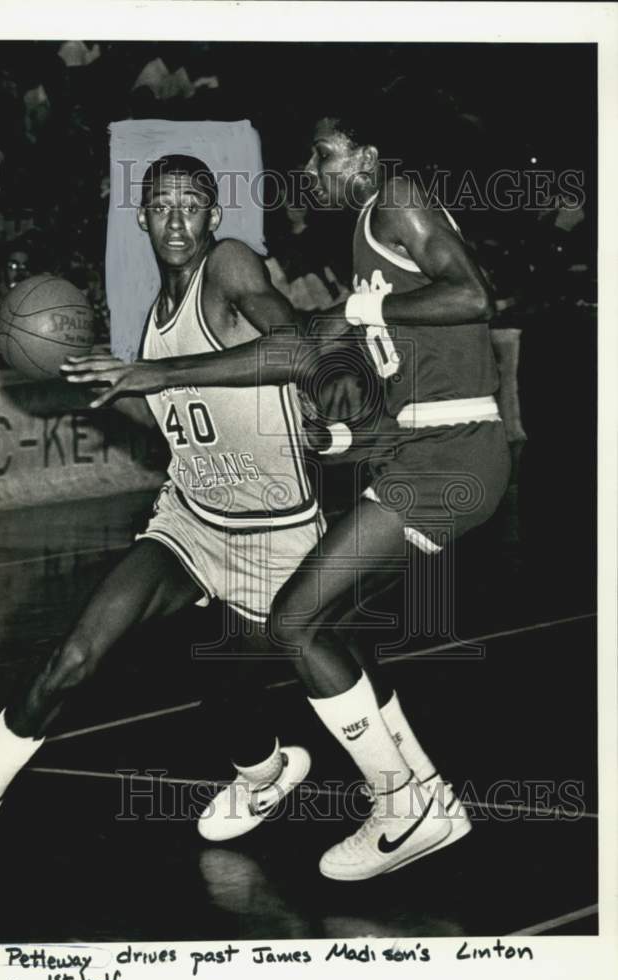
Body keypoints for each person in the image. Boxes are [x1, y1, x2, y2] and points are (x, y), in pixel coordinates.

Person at [67, 110, 512, 881]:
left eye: (326, 153)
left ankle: (404, 806)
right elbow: (410, 382)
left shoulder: (397, 197)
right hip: (421, 448)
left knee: (297, 622)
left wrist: (364, 309)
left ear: (367, 155)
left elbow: (474, 296)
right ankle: (426, 796)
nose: (313, 168)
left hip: (452, 454)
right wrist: (342, 441)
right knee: (320, 625)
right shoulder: (366, 236)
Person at [0, 154, 333, 880]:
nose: (174, 220)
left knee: (230, 687)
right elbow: (171, 421)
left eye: (189, 205)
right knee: (75, 654)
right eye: (159, 206)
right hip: (192, 520)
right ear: (140, 215)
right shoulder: (155, 320)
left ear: (212, 215)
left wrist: (157, 374)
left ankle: (293, 776)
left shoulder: (228, 266)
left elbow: (296, 349)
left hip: (278, 535)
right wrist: (96, 376)